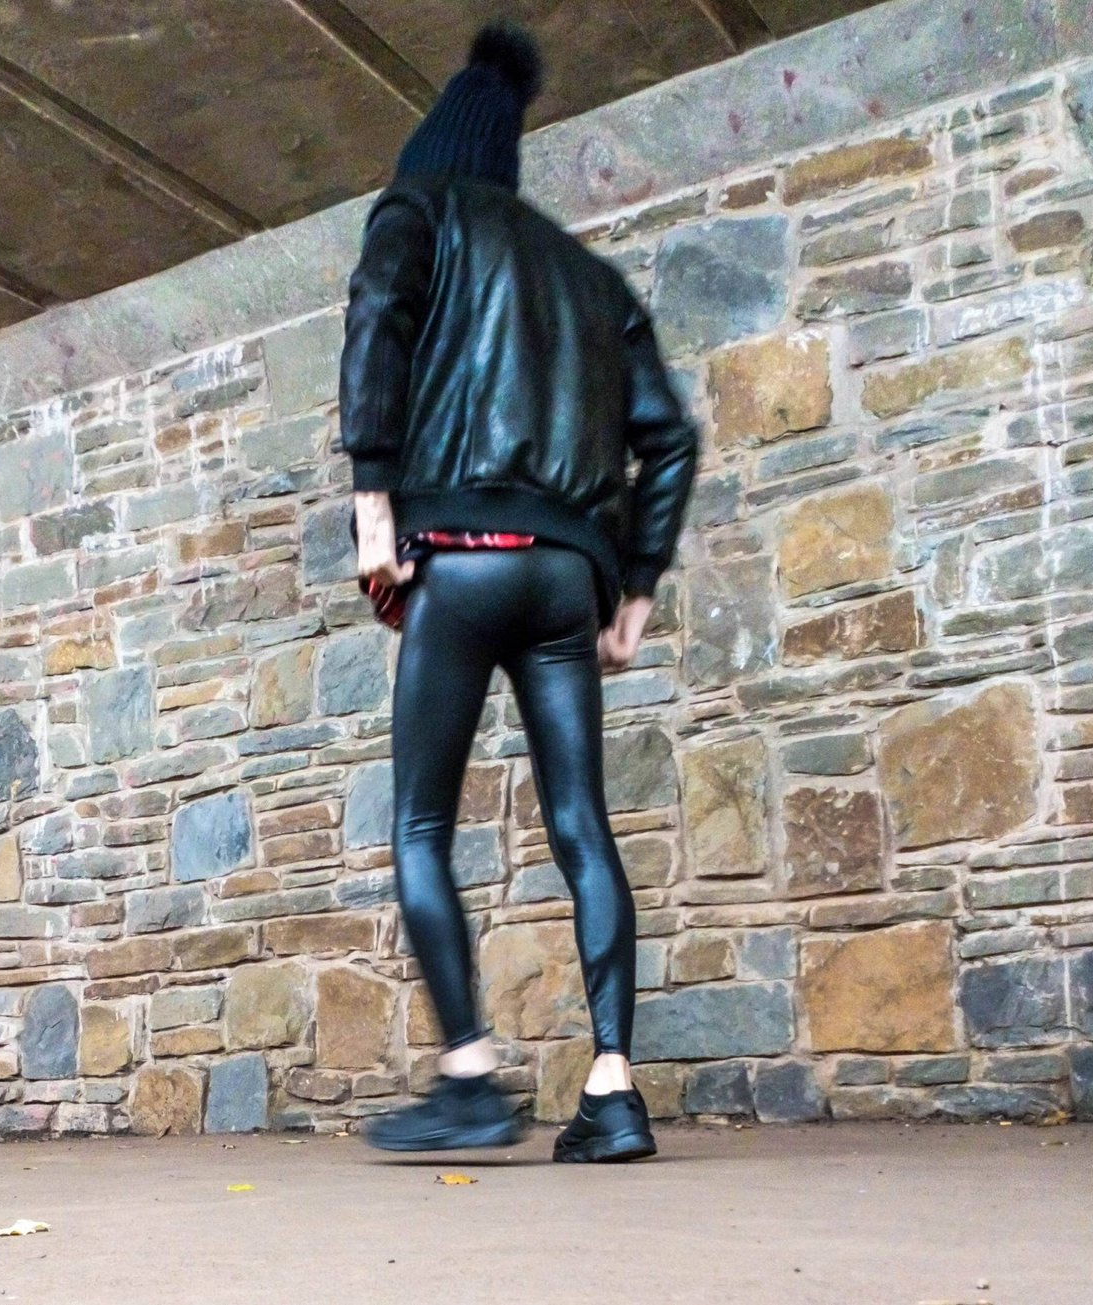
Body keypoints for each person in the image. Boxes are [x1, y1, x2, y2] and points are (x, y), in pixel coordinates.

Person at [338, 21, 699, 1163]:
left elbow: (377, 323)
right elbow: (670, 438)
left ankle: (469, 1080)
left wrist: (374, 506)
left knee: (420, 824)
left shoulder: (417, 208)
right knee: (581, 822)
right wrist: (634, 592)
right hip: (563, 579)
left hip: (462, 552)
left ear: (435, 152)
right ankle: (613, 1090)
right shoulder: (589, 277)